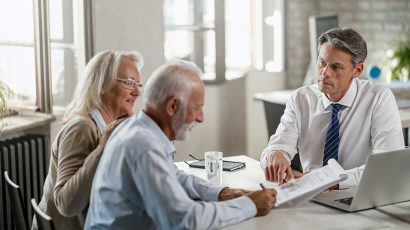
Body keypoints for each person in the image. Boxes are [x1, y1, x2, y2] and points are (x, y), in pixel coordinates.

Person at [85, 60, 277, 229]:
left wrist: (221, 193)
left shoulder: (140, 129)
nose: (201, 118)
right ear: (172, 106)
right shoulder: (143, 145)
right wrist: (250, 205)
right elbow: (184, 220)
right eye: (197, 108)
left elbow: (173, 176)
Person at [260, 27, 404, 188]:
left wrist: (330, 180)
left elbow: (388, 165)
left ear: (357, 70)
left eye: (336, 67)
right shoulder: (301, 98)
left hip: (355, 193)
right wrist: (275, 155)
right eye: (322, 62)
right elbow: (277, 146)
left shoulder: (378, 99)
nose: (325, 73)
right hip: (309, 193)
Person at [34, 50, 144, 230]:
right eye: (130, 83)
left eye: (138, 84)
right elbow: (66, 204)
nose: (137, 92)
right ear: (102, 85)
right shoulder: (82, 128)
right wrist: (103, 148)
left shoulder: (109, 125)